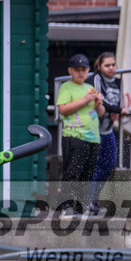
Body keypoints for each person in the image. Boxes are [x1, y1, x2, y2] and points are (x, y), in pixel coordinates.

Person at [56, 53, 104, 215]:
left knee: (87, 174)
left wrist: (98, 103)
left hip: (93, 137)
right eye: (77, 69)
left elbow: (101, 113)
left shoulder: (89, 88)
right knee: (72, 172)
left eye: (84, 69)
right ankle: (66, 206)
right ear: (70, 70)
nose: (81, 72)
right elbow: (63, 109)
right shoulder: (66, 87)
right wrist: (85, 100)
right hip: (74, 135)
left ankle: (81, 207)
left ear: (88, 71)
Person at [87, 52, 121, 215]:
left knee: (109, 164)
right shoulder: (95, 79)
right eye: (107, 65)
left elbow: (116, 100)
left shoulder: (117, 81)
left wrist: (116, 112)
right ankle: (90, 200)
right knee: (93, 166)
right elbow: (99, 99)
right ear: (99, 66)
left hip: (108, 129)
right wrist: (118, 110)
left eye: (113, 65)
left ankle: (94, 198)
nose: (111, 68)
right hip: (93, 130)